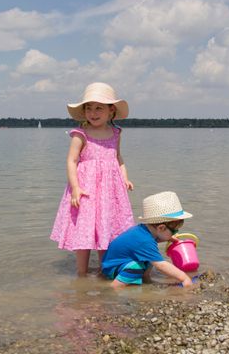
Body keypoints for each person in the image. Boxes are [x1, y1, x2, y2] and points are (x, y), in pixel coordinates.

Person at [50, 82, 135, 276]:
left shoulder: (115, 133)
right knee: (85, 230)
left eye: (99, 108)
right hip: (86, 189)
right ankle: (81, 274)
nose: (93, 113)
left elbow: (118, 158)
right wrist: (75, 188)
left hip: (109, 190)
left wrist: (125, 178)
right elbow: (71, 161)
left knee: (107, 228)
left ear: (111, 110)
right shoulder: (81, 134)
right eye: (89, 108)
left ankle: (105, 270)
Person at [101, 191, 194, 288]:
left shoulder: (143, 231)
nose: (175, 233)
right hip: (112, 269)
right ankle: (114, 287)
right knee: (139, 265)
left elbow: (151, 241)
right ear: (161, 228)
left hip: (117, 263)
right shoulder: (145, 241)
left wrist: (169, 238)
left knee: (148, 258)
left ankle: (145, 280)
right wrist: (184, 278)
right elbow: (161, 265)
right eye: (174, 231)